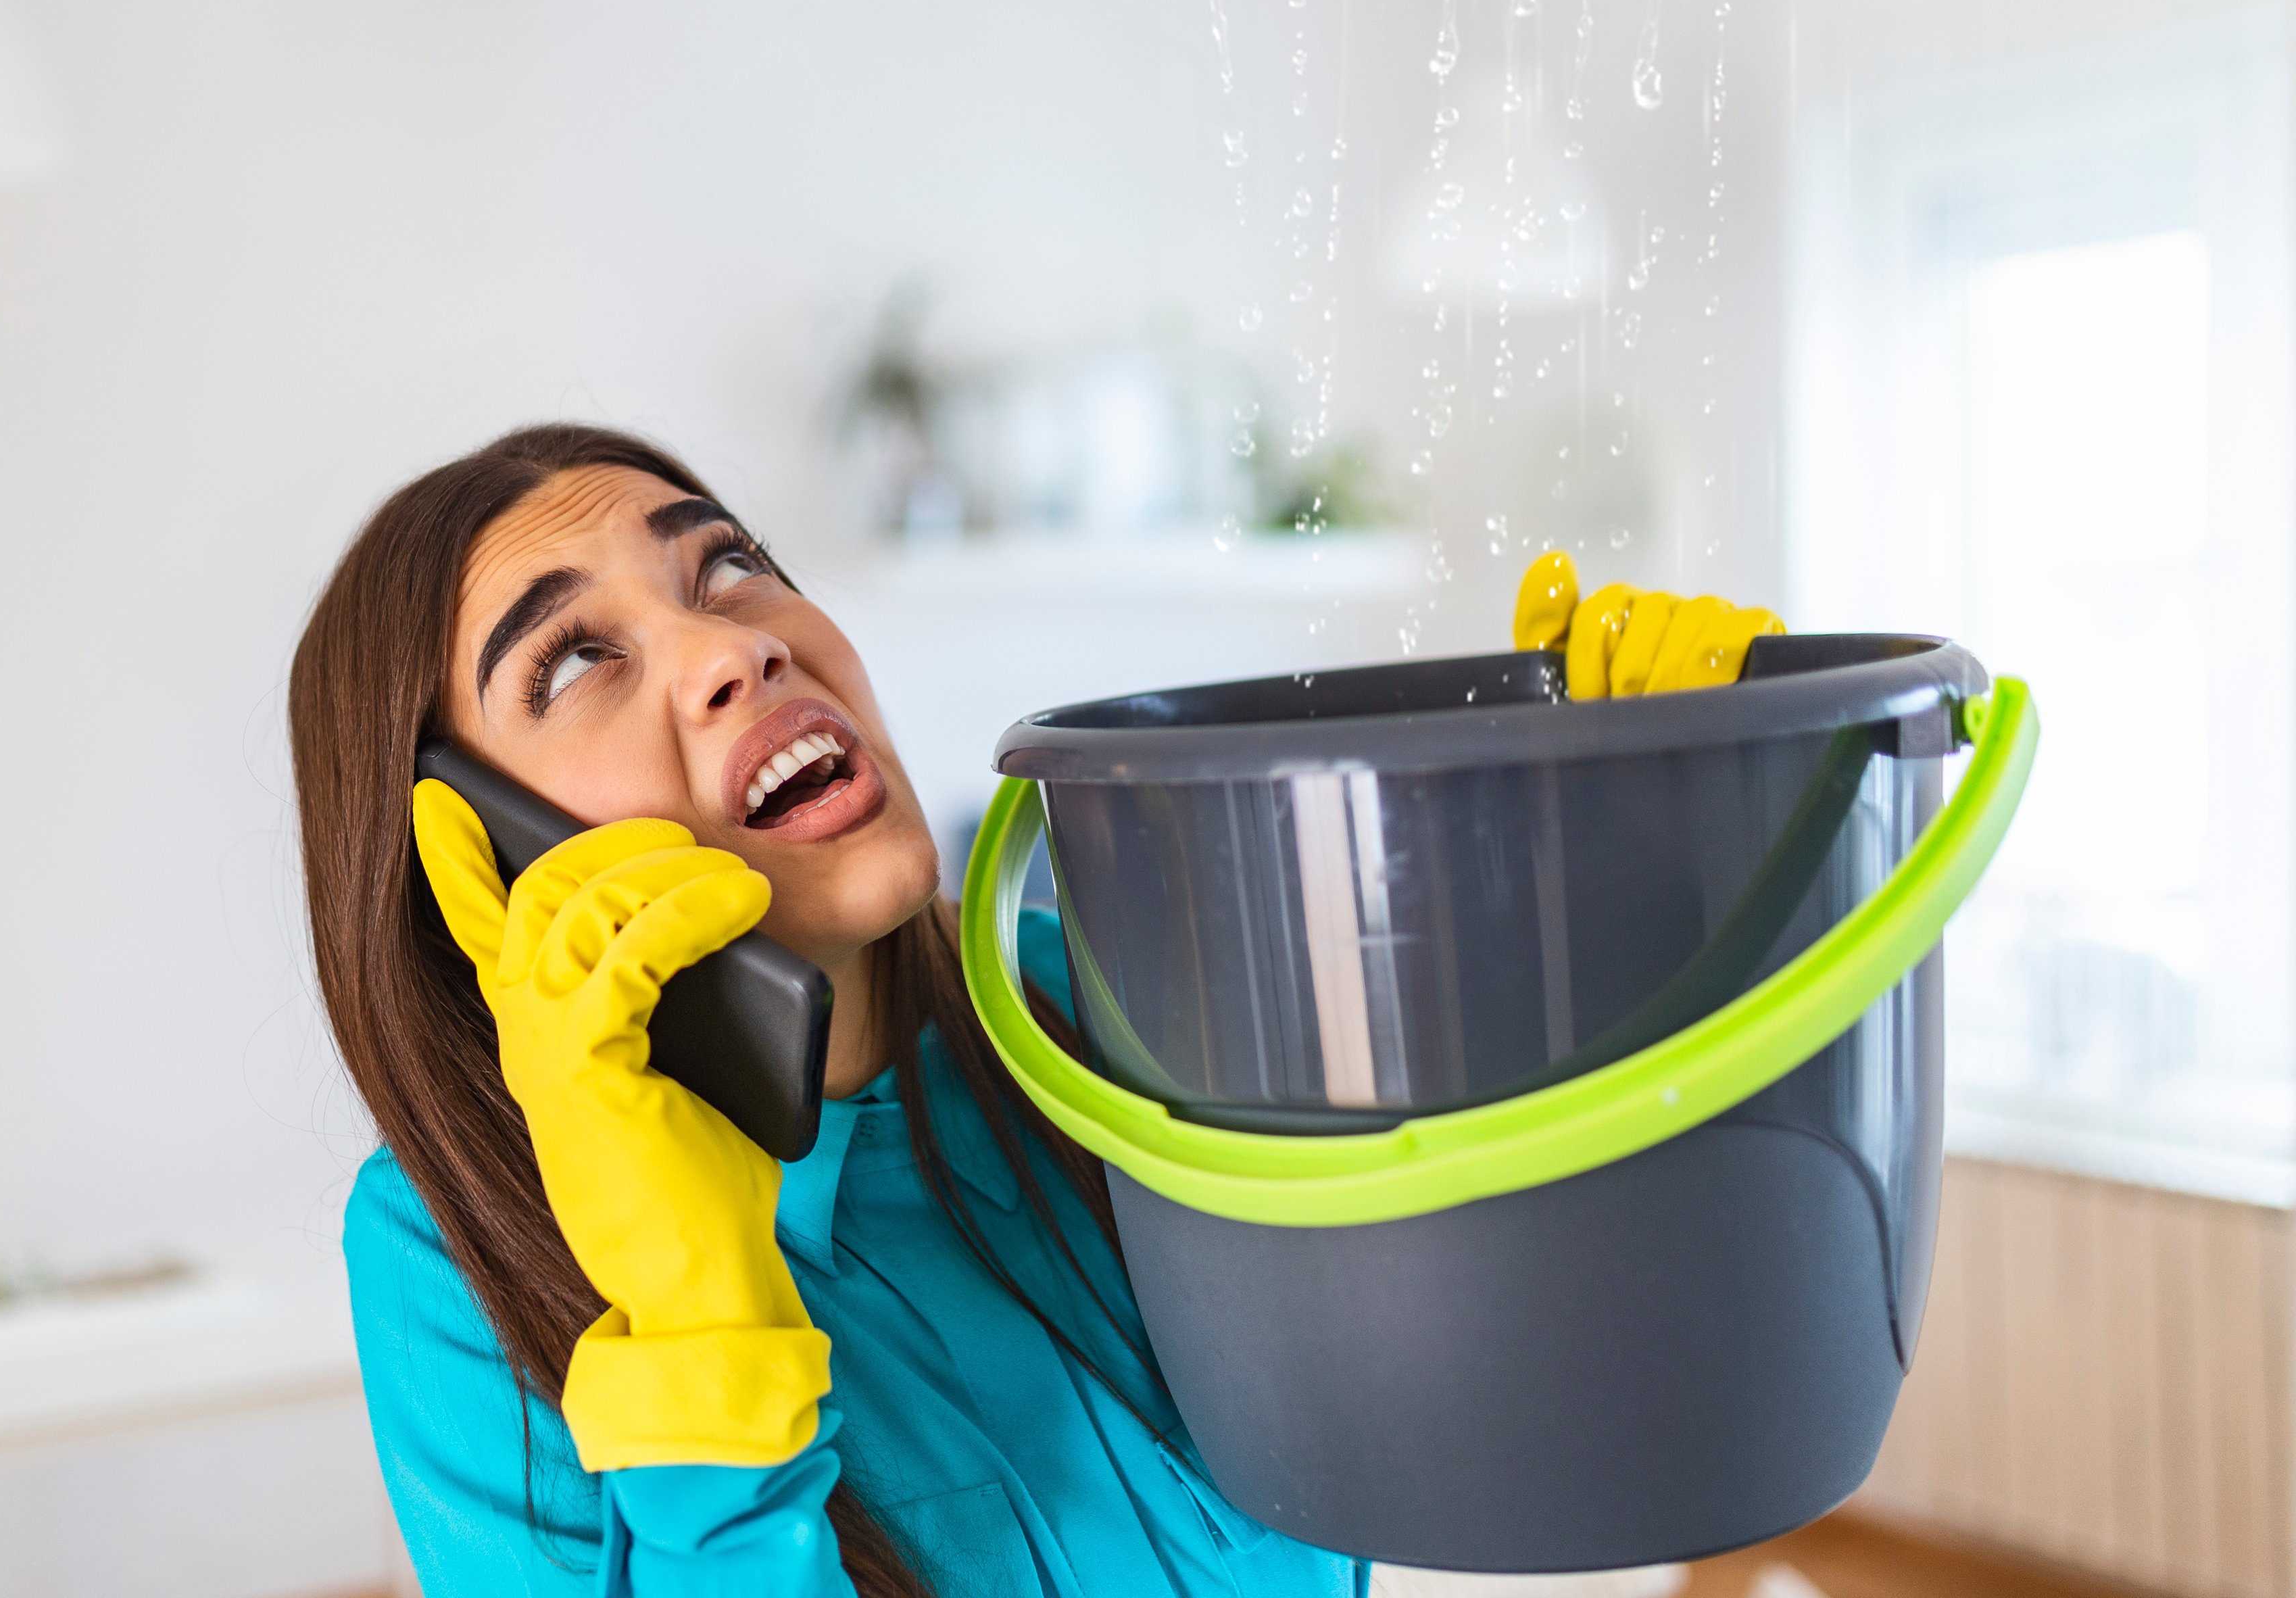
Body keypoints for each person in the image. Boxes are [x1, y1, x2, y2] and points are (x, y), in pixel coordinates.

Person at [287, 423, 1777, 1597]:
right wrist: (695, 1331)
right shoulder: (453, 1249)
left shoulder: (1111, 1011)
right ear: (477, 860)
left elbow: (1535, 1355)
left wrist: (1643, 834)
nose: (734, 644)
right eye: (577, 656)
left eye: (726, 563)